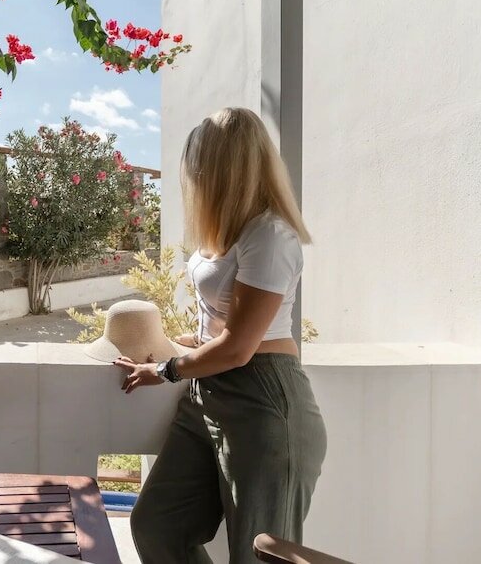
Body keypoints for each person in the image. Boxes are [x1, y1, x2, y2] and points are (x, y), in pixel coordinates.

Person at [115, 107, 327, 563]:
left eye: (199, 164)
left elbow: (237, 346)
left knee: (259, 555)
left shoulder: (270, 236)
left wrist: (165, 369)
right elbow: (216, 328)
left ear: (226, 167)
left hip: (262, 398)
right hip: (205, 394)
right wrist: (174, 345)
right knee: (157, 526)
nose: (193, 177)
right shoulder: (229, 233)